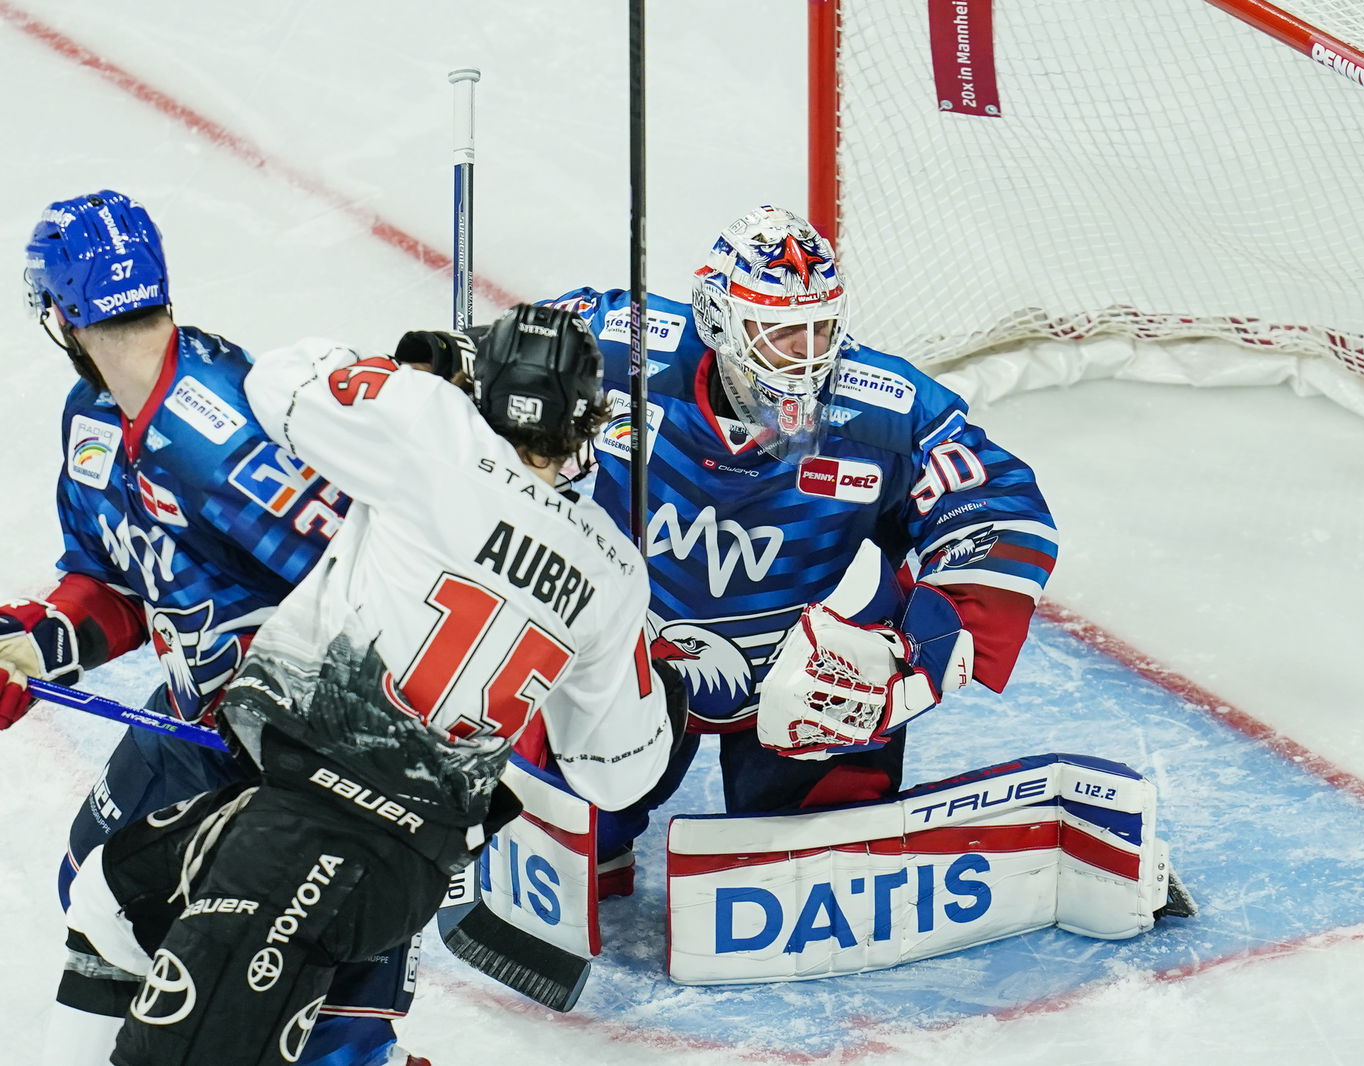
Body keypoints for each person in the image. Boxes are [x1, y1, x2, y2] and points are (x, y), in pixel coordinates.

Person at [60, 303, 682, 1065]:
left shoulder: (433, 430)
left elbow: (278, 381)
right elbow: (618, 776)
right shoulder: (614, 568)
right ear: (586, 419)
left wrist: (427, 379)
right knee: (110, 896)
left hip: (312, 835)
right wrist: (659, 691)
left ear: (481, 383)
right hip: (406, 860)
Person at [2, 190, 417, 1066]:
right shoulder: (95, 418)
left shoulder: (220, 441)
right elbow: (116, 580)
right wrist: (38, 646)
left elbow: (379, 586)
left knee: (326, 1021)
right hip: (199, 726)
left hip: (319, 767)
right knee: (96, 887)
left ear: (63, 314)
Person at [546, 204, 1061, 894]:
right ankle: (586, 822)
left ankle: (818, 817)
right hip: (633, 649)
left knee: (809, 873)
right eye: (782, 329)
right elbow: (502, 364)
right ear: (718, 318)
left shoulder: (887, 409)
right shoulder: (623, 349)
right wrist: (503, 394)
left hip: (807, 676)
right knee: (565, 837)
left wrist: (923, 649)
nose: (809, 351)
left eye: (822, 326)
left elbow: (1001, 507)